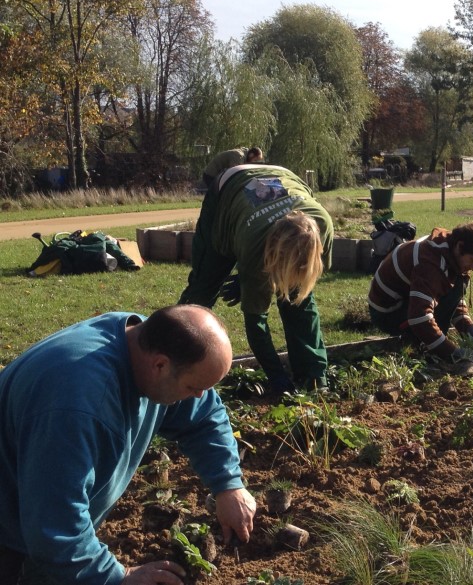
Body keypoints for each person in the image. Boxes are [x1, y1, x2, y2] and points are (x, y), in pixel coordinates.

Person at [0, 305, 256, 584]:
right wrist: (117, 577)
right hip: (12, 534)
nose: (199, 396)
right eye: (193, 387)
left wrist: (228, 484)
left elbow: (204, 416)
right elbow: (54, 527)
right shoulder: (77, 406)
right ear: (160, 365)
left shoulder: (142, 338)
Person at [178, 163, 333, 394]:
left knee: (298, 298)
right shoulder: (254, 245)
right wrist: (276, 375)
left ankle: (313, 376)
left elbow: (302, 287)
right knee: (201, 293)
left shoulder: (323, 225)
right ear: (269, 255)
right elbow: (256, 323)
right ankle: (177, 362)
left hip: (283, 175)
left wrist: (251, 281)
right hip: (227, 190)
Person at [367, 223, 473, 375]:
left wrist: (470, 329)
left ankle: (430, 342)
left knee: (458, 285)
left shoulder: (449, 249)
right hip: (388, 313)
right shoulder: (430, 263)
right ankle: (427, 350)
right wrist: (452, 352)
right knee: (431, 327)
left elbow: (450, 296)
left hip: (404, 301)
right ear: (460, 246)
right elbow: (419, 317)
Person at [184, 147, 264, 306]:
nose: (254, 164)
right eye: (254, 161)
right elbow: (237, 174)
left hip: (223, 178)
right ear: (251, 155)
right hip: (213, 176)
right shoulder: (238, 156)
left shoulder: (244, 155)